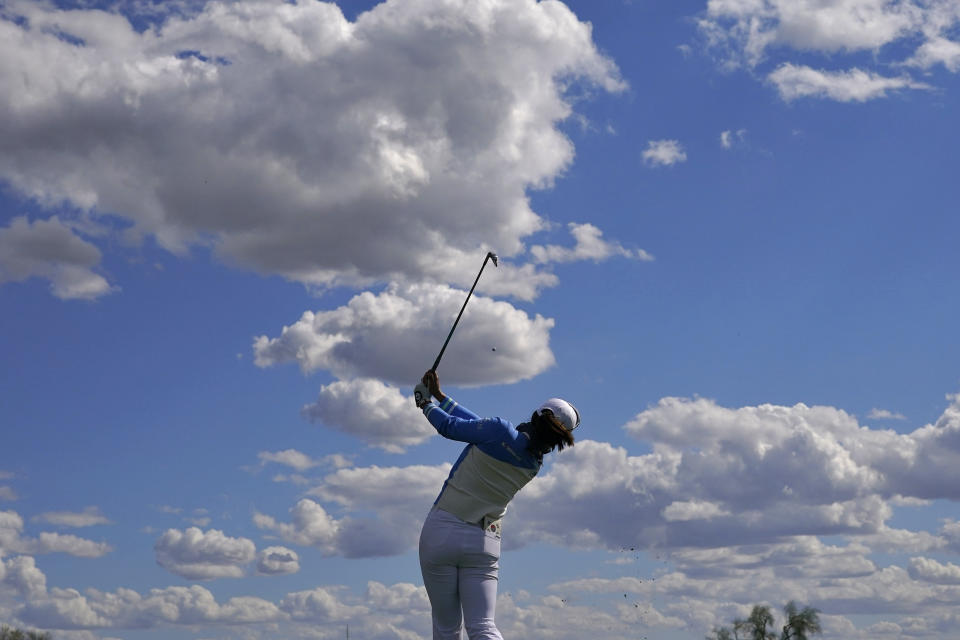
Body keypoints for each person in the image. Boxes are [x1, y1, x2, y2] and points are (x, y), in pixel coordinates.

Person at [413, 369, 580, 640]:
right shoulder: (533, 464)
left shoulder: (498, 431)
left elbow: (451, 427)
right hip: (484, 544)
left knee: (447, 628)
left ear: (537, 415)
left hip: (443, 530)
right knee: (482, 627)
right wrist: (441, 398)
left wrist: (425, 403)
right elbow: (480, 427)